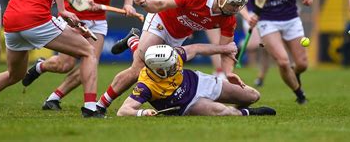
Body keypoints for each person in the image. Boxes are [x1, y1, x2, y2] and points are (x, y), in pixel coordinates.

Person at [97, 0, 250, 115]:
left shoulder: (229, 19)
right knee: (139, 68)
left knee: (159, 67)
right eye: (234, 5)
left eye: (239, 6)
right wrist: (145, 3)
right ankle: (100, 105)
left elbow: (227, 49)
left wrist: (229, 72)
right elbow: (160, 4)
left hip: (178, 36)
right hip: (161, 21)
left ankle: (133, 41)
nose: (236, 9)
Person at [240, 0, 311, 104]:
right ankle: (300, 94)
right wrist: (247, 15)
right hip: (267, 21)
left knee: (302, 64)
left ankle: (294, 75)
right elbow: (239, 1)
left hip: (291, 19)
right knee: (282, 61)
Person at [117, 43, 276, 117]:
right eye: (170, 67)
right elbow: (123, 111)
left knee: (253, 95)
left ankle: (132, 40)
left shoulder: (173, 56)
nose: (176, 66)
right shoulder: (145, 86)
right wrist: (143, 112)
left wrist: (223, 49)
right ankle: (247, 113)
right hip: (188, 104)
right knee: (222, 111)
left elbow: (197, 49)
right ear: (158, 70)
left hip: (200, 82)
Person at [240, 0, 270, 87]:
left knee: (265, 48)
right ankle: (238, 46)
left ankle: (261, 77)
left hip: (268, 15)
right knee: (253, 45)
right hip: (252, 14)